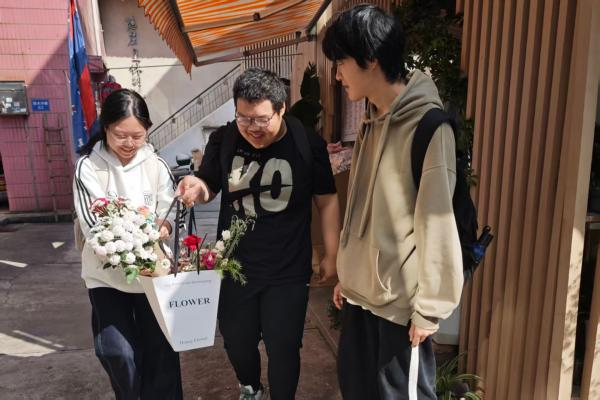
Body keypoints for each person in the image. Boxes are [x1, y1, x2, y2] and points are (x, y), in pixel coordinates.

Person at [322, 5, 464, 400]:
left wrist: (430, 309)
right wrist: (351, 274)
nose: (337, 75)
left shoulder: (429, 127)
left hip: (399, 312)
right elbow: (366, 212)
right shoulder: (371, 120)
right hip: (360, 298)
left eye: (341, 63)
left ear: (370, 59)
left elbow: (436, 223)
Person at [177, 68, 340, 400]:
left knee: (284, 347)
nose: (253, 128)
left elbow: (327, 201)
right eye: (244, 118)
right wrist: (196, 188)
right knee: (237, 342)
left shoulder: (306, 142)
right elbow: (209, 185)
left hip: (288, 268)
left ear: (281, 109)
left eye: (262, 119)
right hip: (235, 266)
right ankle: (250, 387)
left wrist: (332, 254)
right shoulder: (224, 139)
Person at [73, 89, 182, 400]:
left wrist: (165, 226)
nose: (129, 143)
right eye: (120, 135)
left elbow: (169, 209)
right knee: (116, 352)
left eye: (137, 135)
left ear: (147, 130)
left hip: (152, 274)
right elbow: (94, 224)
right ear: (105, 127)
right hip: (106, 276)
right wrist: (133, 240)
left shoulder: (155, 165)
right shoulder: (89, 167)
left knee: (161, 351)